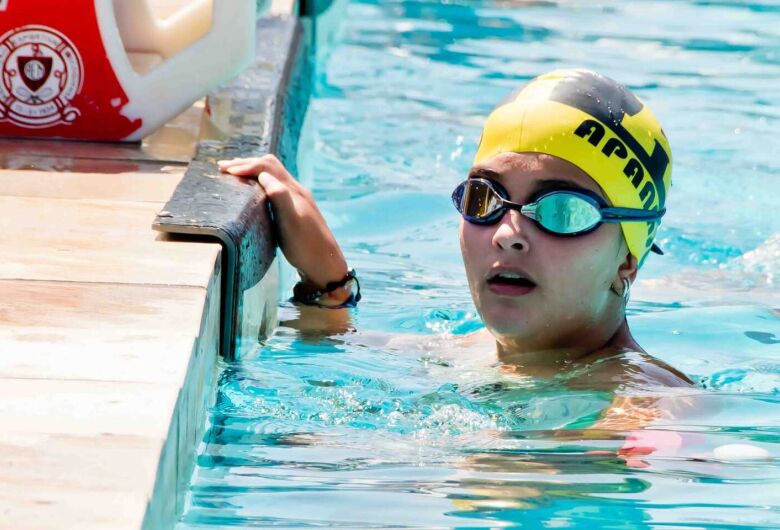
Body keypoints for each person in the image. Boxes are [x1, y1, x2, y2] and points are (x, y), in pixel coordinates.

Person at [218, 69, 694, 443]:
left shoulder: (644, 400)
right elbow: (335, 347)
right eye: (484, 198)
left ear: (628, 257)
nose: (509, 233)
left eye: (563, 211)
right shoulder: (468, 352)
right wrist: (328, 279)